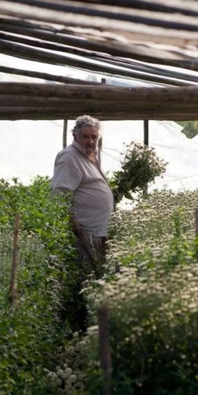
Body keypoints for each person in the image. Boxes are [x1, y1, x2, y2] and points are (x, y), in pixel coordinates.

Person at [51, 115, 115, 278]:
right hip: (85, 229)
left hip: (98, 228)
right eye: (85, 137)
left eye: (94, 137)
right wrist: (69, 219)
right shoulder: (69, 158)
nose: (90, 141)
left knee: (99, 271)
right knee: (88, 274)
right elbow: (60, 191)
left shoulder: (90, 155)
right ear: (75, 136)